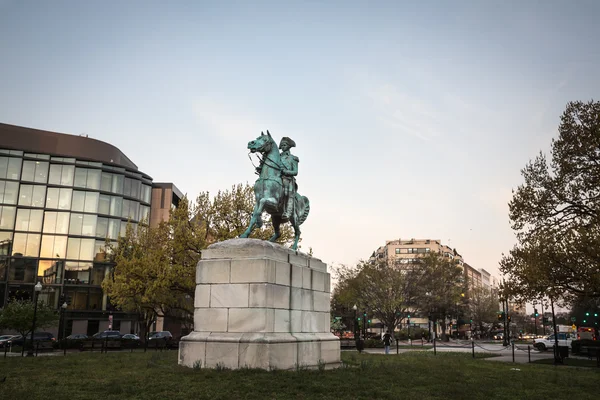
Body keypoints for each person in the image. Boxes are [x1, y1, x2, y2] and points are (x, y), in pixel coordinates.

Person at [279, 137, 299, 220]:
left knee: (287, 193)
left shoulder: (293, 158)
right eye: (282, 145)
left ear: (289, 146)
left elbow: (295, 172)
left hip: (287, 179)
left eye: (285, 145)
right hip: (277, 177)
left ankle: (288, 211)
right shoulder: (277, 157)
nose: (283, 146)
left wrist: (285, 172)